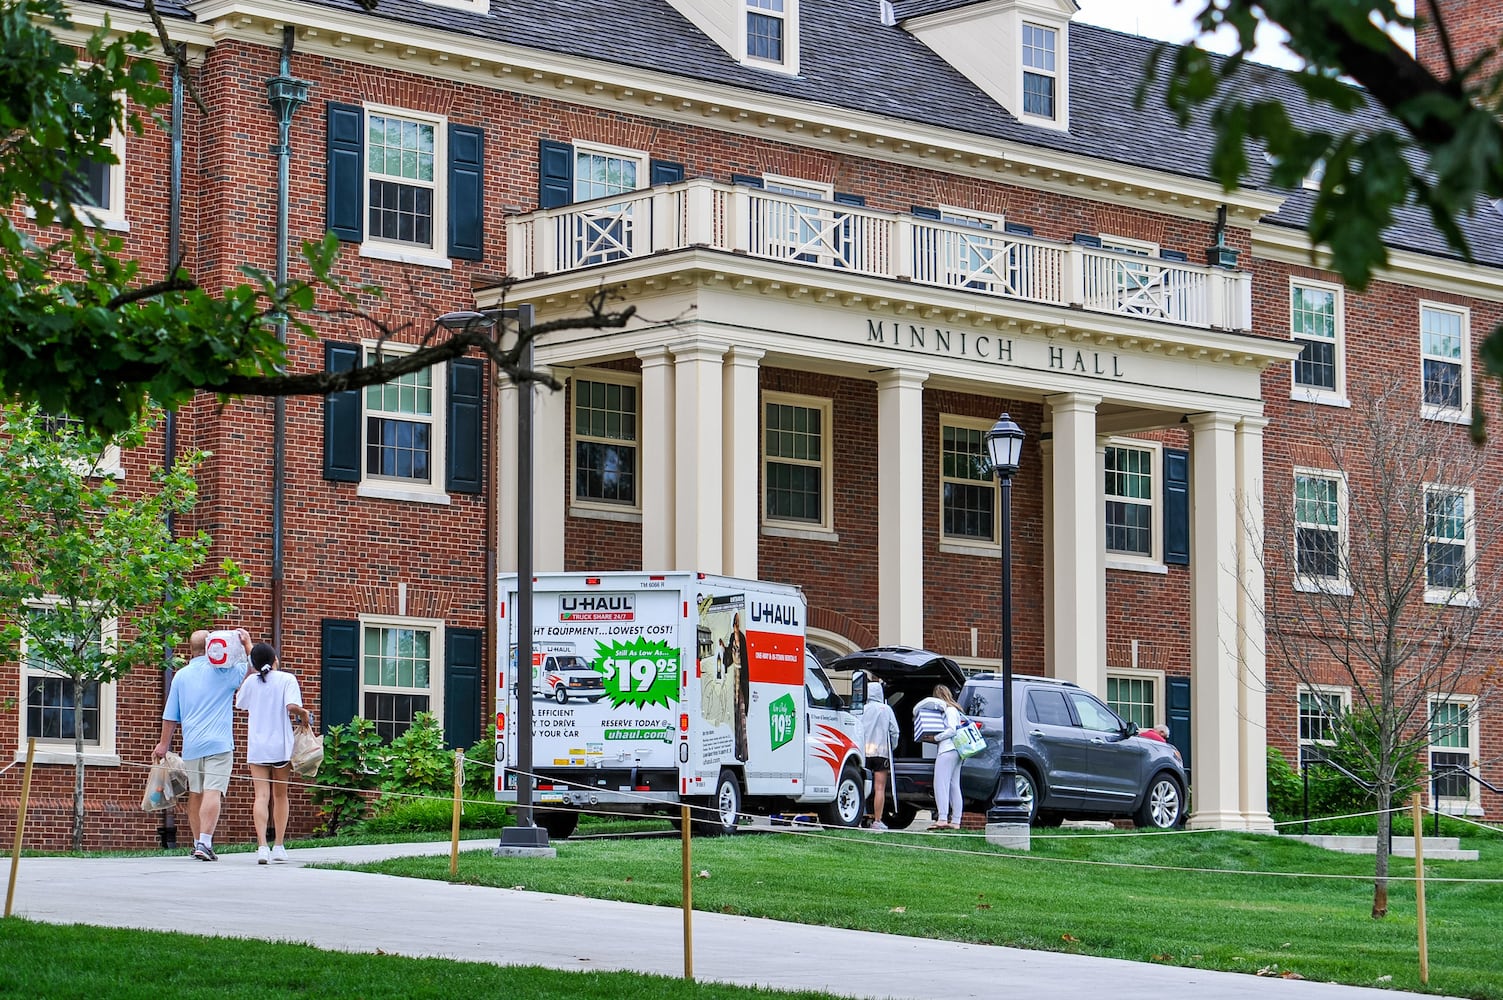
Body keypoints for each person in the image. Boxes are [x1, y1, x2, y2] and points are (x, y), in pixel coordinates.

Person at [154, 628, 252, 861]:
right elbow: (255, 668)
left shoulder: (181, 676)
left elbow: (170, 715)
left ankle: (198, 842)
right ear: (211, 646)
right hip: (219, 744)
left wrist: (163, 744)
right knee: (213, 791)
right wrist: (246, 643)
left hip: (192, 746)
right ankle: (205, 843)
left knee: (196, 793)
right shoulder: (223, 672)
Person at [236, 642, 313, 864]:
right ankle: (278, 845)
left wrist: (249, 673)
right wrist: (303, 713)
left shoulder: (251, 681)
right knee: (280, 795)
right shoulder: (287, 679)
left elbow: (240, 703)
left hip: (258, 746)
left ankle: (262, 846)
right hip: (281, 745)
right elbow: (291, 707)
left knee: (261, 796)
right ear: (275, 659)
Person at [916, 684, 966, 830]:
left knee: (940, 784)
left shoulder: (949, 710)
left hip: (947, 749)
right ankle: (956, 820)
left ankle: (942, 818)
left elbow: (952, 730)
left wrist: (936, 738)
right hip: (957, 751)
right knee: (954, 785)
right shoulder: (956, 710)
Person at [861, 677, 900, 831]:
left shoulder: (862, 708)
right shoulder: (886, 709)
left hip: (863, 752)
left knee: (861, 786)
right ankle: (877, 820)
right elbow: (894, 731)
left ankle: (858, 819)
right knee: (879, 788)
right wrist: (893, 747)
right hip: (881, 751)